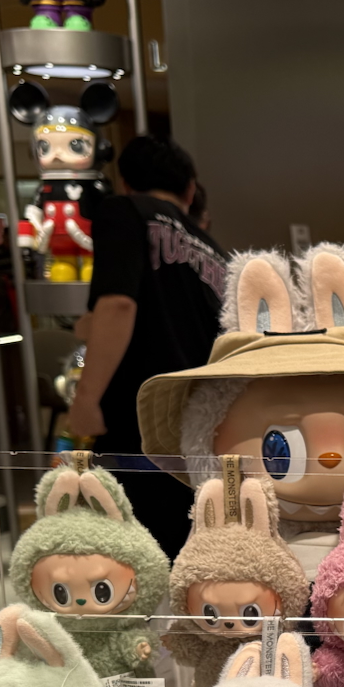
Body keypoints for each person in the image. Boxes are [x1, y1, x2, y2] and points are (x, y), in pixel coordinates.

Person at [66, 134, 224, 555]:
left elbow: (118, 304)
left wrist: (86, 399)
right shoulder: (210, 247)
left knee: (131, 556)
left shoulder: (124, 211)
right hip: (202, 424)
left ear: (126, 182)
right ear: (189, 189)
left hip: (140, 419)